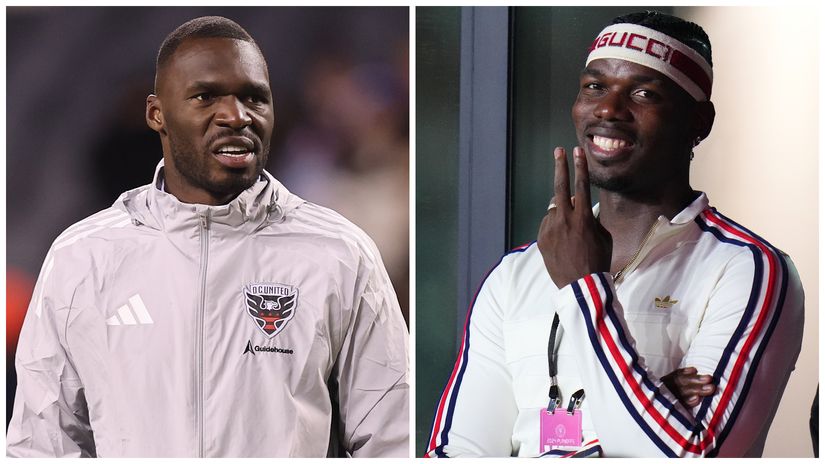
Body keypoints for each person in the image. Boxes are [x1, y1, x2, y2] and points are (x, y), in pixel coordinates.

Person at [6, 16, 409, 458]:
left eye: (255, 98)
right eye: (206, 97)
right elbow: (42, 447)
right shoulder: (84, 258)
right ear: (157, 114)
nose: (237, 116)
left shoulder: (339, 254)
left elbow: (391, 441)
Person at [426, 11, 803, 458]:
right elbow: (454, 453)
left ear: (698, 123)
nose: (608, 109)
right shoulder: (515, 273)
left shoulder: (748, 269)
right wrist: (631, 420)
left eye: (644, 93)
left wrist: (585, 287)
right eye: (595, 87)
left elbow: (693, 453)